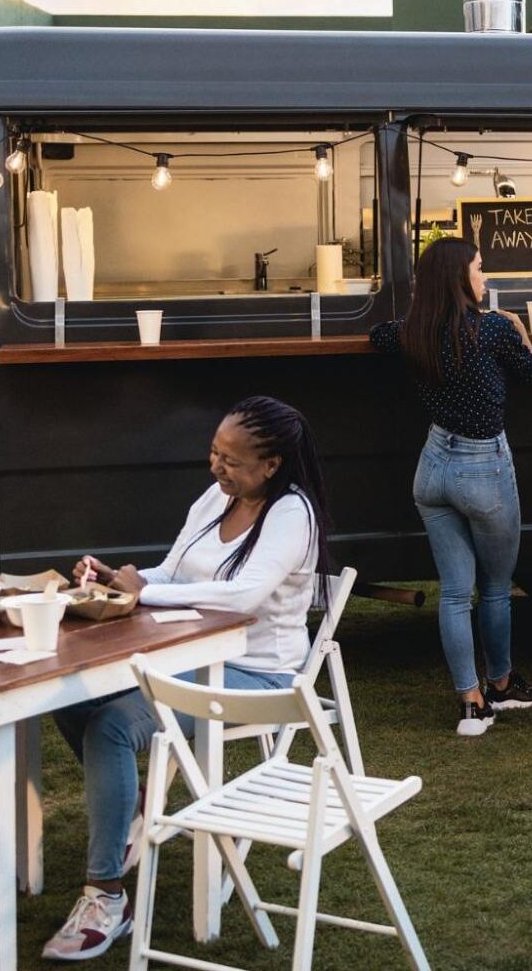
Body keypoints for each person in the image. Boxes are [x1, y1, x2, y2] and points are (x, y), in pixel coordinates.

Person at [43, 396, 333, 962]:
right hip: (190, 657)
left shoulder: (292, 514)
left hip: (259, 676)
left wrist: (144, 592)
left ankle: (105, 897)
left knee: (111, 727)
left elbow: (242, 595)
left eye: (231, 460)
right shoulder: (217, 497)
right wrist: (117, 579)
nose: (216, 466)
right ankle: (129, 806)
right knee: (69, 693)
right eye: (214, 452)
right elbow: (172, 572)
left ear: (270, 465)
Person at [371, 237, 532, 737]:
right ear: (458, 278)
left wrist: (414, 318)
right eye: (479, 268)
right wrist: (518, 325)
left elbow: (377, 335)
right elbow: (531, 370)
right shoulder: (492, 328)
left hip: (433, 468)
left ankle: (471, 702)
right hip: (482, 468)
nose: (484, 277)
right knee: (495, 588)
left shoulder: (411, 332)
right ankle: (501, 684)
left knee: (453, 592)